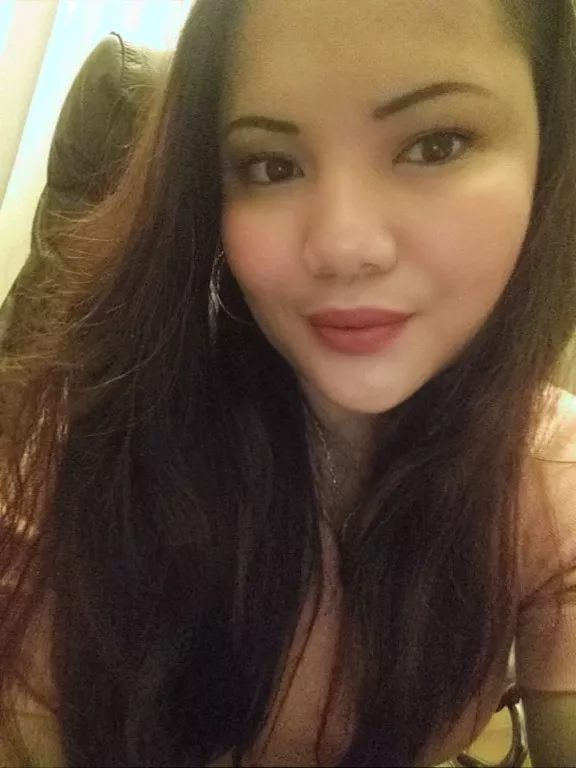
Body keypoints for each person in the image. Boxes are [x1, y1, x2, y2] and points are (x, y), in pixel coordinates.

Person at [0, 0, 575, 765]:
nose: (342, 245)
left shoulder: (551, 480)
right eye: (272, 166)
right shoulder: (98, 435)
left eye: (435, 144)